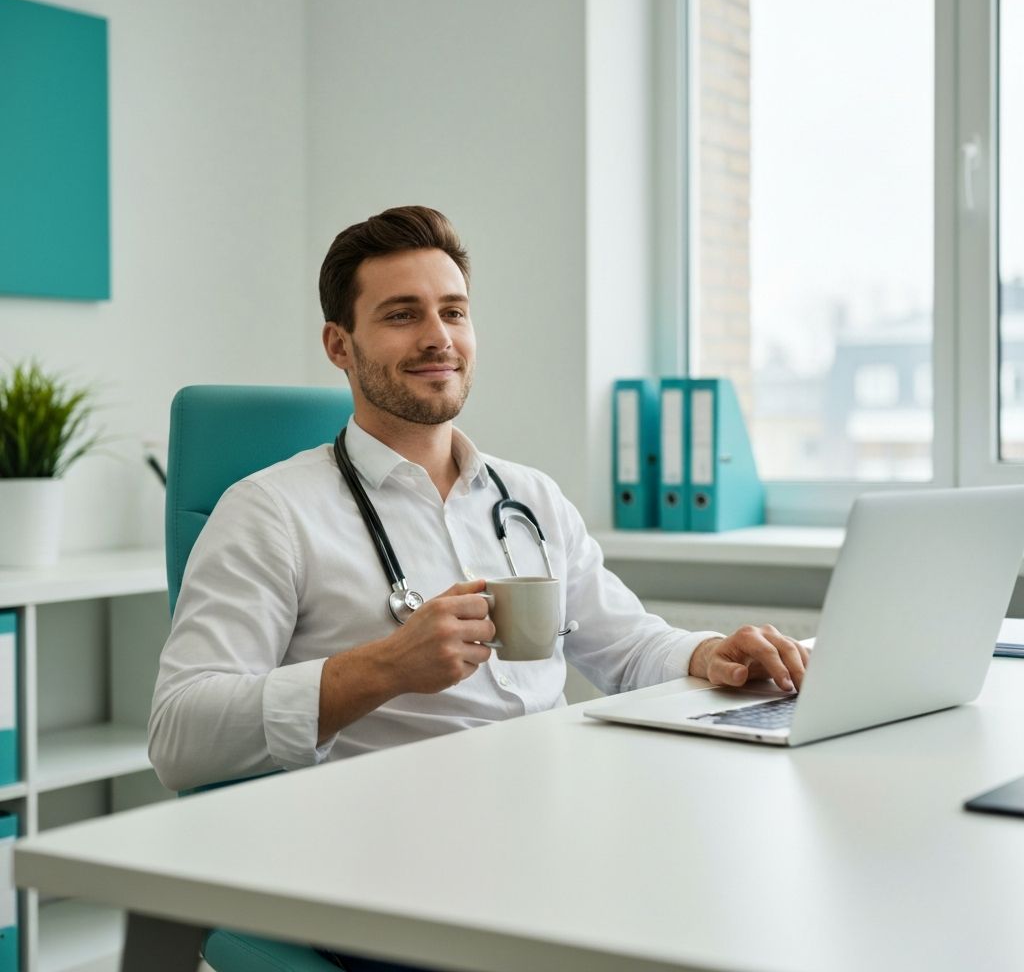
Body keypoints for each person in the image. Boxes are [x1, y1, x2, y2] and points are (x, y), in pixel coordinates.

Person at [149, 205, 809, 968]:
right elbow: (178, 737)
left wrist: (711, 654)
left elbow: (626, 644)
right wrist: (385, 668)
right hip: (392, 874)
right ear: (340, 345)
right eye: (402, 315)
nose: (438, 337)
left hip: (554, 838)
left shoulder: (527, 497)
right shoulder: (270, 512)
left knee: (745, 896)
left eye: (453, 312)